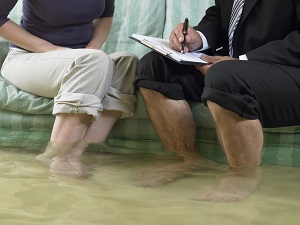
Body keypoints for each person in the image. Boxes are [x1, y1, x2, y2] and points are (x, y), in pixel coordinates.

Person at [133, 0, 300, 202]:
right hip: (235, 66)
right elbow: (221, 15)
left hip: (287, 69)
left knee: (225, 76)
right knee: (154, 65)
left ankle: (243, 176)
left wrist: (243, 61)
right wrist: (198, 37)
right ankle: (188, 159)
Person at [0, 0, 138, 177]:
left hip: (83, 60)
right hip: (29, 57)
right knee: (94, 61)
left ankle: (79, 151)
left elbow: (106, 16)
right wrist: (51, 49)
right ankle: (55, 155)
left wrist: (91, 50)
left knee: (127, 62)